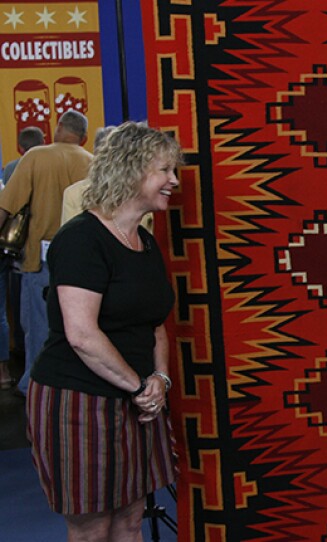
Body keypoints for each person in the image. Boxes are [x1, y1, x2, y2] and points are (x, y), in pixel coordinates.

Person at [27, 121, 180, 541]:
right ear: (131, 170)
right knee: (93, 527)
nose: (174, 181)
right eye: (164, 171)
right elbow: (81, 335)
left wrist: (160, 380)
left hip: (135, 401)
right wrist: (140, 387)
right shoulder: (81, 240)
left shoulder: (144, 243)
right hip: (77, 402)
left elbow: (155, 324)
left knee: (131, 517)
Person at [0, 111, 92, 398]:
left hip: (39, 260)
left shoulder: (36, 156)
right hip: (83, 259)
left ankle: (37, 393)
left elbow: (7, 206)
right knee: (82, 328)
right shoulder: (92, 162)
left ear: (59, 128)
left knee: (38, 329)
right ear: (84, 137)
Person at [0, 126, 45, 389]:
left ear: (19, 146)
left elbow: (8, 206)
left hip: (20, 247)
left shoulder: (11, 168)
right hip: (43, 247)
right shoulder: (81, 159)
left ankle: (14, 371)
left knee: (20, 312)